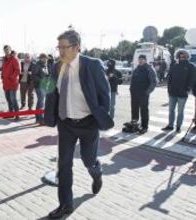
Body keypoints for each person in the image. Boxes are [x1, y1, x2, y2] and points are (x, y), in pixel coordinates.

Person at [44, 30, 113, 219]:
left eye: (64, 47)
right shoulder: (56, 66)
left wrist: (101, 116)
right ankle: (65, 205)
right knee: (64, 164)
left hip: (88, 123)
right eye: (58, 48)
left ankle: (96, 172)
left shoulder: (92, 65)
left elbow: (104, 95)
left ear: (76, 47)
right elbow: (49, 90)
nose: (60, 52)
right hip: (66, 123)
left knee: (87, 158)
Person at [162, 49, 196, 133]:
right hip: (172, 92)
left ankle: (178, 127)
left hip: (183, 93)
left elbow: (192, 79)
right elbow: (169, 77)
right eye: (180, 56)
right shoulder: (174, 65)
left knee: (180, 111)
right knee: (171, 110)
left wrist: (188, 89)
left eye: (184, 56)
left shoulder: (191, 66)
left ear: (187, 56)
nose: (182, 57)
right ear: (178, 56)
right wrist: (169, 89)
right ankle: (170, 125)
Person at [130, 54, 157, 134]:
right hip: (134, 93)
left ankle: (144, 126)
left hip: (144, 93)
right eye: (139, 59)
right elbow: (132, 79)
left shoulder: (149, 69)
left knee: (144, 110)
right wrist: (131, 89)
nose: (140, 60)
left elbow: (154, 82)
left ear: (145, 60)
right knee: (134, 109)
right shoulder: (137, 68)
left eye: (142, 59)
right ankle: (135, 124)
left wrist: (147, 92)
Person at [1, 45, 20, 120]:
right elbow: (3, 69)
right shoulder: (4, 60)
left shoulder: (14, 59)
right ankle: (11, 113)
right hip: (6, 83)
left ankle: (17, 114)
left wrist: (12, 77)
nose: (6, 51)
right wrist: (2, 76)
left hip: (12, 82)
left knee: (13, 99)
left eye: (7, 49)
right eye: (5, 50)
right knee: (8, 99)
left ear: (10, 50)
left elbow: (18, 70)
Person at [32, 53, 51, 125]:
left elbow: (47, 75)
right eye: (44, 58)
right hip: (39, 86)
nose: (45, 59)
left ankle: (37, 118)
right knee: (42, 102)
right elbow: (34, 76)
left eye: (46, 58)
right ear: (40, 58)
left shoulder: (45, 65)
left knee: (40, 102)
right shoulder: (37, 65)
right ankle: (41, 119)